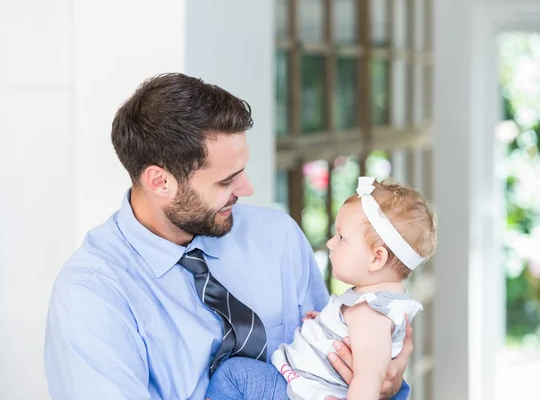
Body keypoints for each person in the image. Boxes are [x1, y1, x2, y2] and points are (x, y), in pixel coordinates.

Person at [44, 73, 412, 399]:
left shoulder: (277, 237)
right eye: (226, 180)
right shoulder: (92, 296)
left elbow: (340, 360)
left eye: (243, 170)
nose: (248, 188)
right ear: (160, 181)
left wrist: (384, 382)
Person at [206, 177, 437, 400]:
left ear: (377, 258)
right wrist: (323, 324)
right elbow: (352, 342)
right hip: (303, 386)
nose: (330, 243)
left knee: (234, 375)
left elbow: (369, 379)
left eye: (341, 237)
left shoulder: (371, 312)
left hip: (300, 392)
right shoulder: (370, 302)